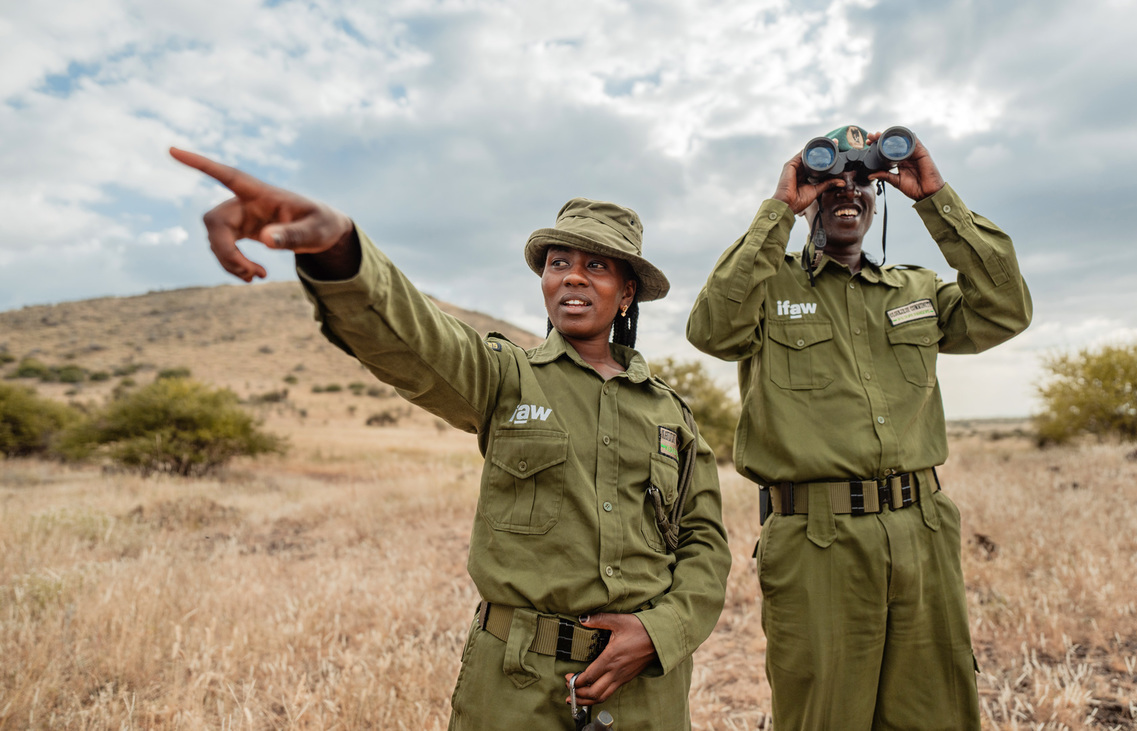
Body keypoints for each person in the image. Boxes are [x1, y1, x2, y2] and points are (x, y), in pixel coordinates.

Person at [170, 148, 731, 731]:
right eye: (558, 262)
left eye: (597, 267)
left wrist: (659, 633)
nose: (570, 276)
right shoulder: (505, 377)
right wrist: (338, 246)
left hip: (645, 686)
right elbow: (417, 339)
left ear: (627, 292)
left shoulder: (671, 414)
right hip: (514, 684)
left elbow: (705, 545)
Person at [685, 125, 1032, 730]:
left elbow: (1006, 308)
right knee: (825, 715)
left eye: (861, 182)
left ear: (878, 196)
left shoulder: (915, 289)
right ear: (810, 194)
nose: (847, 191)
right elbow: (713, 330)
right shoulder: (768, 288)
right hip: (818, 540)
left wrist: (935, 199)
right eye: (829, 182)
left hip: (921, 530)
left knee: (937, 711)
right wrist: (778, 212)